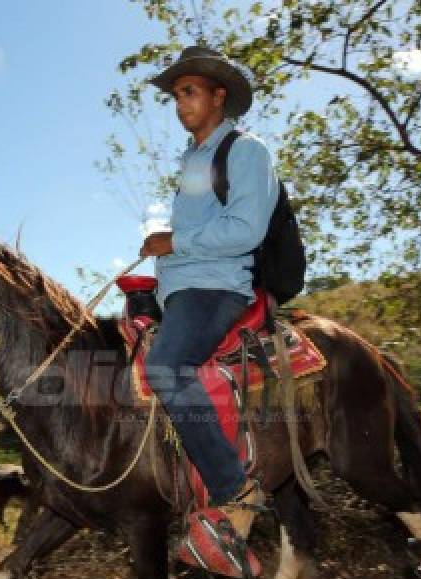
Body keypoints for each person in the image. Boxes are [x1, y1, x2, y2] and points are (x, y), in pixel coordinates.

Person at [140, 46, 277, 538]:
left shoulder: (246, 151)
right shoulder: (192, 162)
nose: (181, 104)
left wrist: (173, 241)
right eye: (177, 95)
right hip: (180, 291)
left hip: (217, 288)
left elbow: (246, 229)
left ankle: (234, 490)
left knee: (165, 366)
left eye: (190, 92)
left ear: (219, 96)